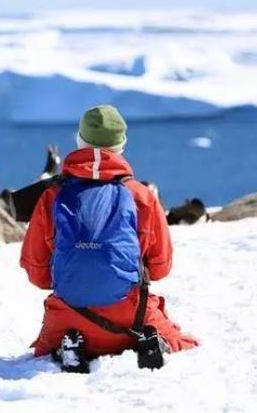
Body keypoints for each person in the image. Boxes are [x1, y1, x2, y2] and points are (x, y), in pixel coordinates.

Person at [20, 105, 198, 372]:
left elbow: (38, 273)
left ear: (79, 141)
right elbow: (160, 268)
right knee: (183, 341)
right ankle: (149, 343)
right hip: (133, 316)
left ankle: (70, 348)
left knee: (48, 346)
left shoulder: (51, 196)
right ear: (121, 146)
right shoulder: (141, 195)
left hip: (68, 317)